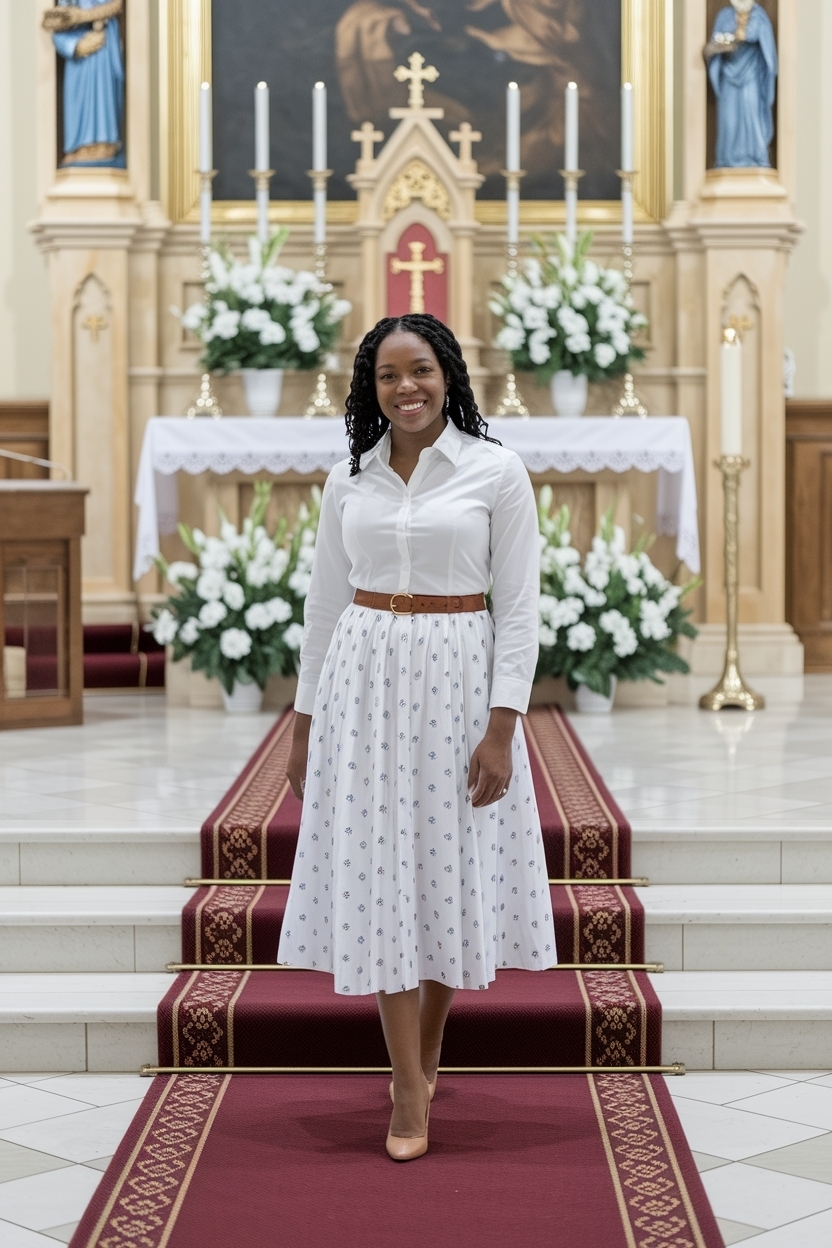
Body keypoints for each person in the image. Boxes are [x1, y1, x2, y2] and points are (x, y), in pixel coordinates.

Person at [278, 314, 556, 1160]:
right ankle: (407, 1083)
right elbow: (323, 608)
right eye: (389, 374)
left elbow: (519, 609)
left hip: (458, 680)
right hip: (364, 680)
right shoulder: (347, 481)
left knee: (441, 869)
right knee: (381, 871)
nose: (407, 387)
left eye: (422, 370)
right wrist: (303, 722)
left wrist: (503, 727)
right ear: (370, 387)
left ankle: (427, 1048)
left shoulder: (494, 471)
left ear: (449, 376)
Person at [705, 0, 777, 169]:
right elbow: (711, 48)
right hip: (728, 79)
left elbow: (769, 57)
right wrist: (717, 48)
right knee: (729, 121)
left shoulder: (760, 17)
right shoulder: (724, 16)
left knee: (752, 117)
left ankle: (755, 157)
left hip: (752, 78)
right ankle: (726, 159)